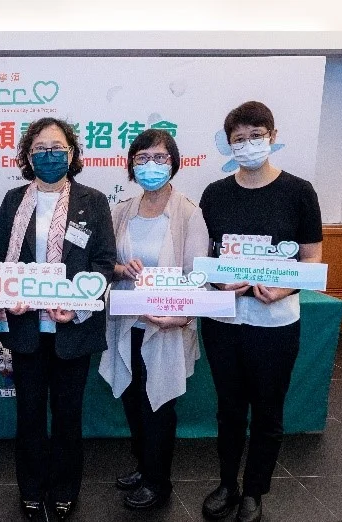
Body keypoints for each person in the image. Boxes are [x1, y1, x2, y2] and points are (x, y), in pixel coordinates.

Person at [198, 101, 323, 522]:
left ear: (271, 135)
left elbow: (311, 260)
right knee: (229, 409)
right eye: (239, 139)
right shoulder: (214, 194)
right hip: (224, 319)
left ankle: (255, 490)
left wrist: (283, 286)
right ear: (227, 144)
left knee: (268, 410)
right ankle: (227, 483)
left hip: (275, 321)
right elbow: (207, 258)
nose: (248, 145)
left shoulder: (299, 191)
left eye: (256, 135)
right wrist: (218, 282)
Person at [0, 117, 116, 520]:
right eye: (40, 149)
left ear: (72, 153)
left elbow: (103, 262)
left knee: (67, 415)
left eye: (56, 147)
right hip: (26, 328)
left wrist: (77, 304)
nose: (49, 155)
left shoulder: (93, 201)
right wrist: (10, 296)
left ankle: (64, 489)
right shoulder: (12, 200)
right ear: (28, 156)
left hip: (72, 329)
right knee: (28, 415)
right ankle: (30, 487)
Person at [98, 129, 209, 510]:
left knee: (158, 405)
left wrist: (181, 317)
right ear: (131, 165)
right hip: (128, 320)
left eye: (159, 158)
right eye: (142, 158)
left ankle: (158, 482)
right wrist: (119, 267)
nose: (150, 166)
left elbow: (198, 276)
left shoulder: (189, 213)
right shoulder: (123, 209)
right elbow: (106, 262)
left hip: (165, 326)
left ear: (173, 163)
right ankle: (143, 466)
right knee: (131, 398)